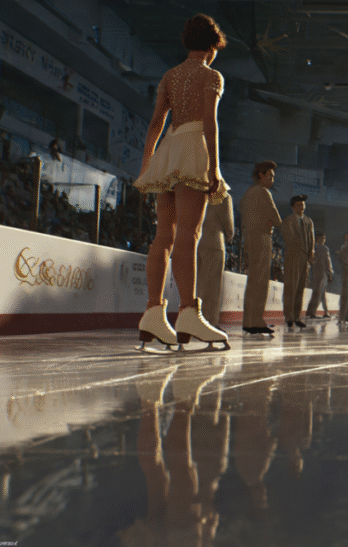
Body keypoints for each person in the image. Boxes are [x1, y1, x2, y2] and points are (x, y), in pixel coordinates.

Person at [134, 13, 229, 349]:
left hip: (169, 149)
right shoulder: (211, 76)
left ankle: (153, 312)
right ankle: (188, 312)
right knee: (190, 233)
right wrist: (215, 169)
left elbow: (156, 122)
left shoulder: (171, 75)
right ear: (212, 46)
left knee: (165, 235)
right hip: (193, 146)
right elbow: (210, 124)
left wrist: (148, 163)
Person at [240, 161, 282, 336]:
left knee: (253, 280)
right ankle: (256, 320)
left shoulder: (247, 194)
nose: (272, 180)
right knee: (261, 281)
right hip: (262, 238)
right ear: (261, 175)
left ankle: (249, 320)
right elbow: (276, 218)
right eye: (270, 176)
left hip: (249, 238)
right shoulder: (264, 193)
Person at [196, 193, 234, 327]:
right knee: (212, 287)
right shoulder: (224, 196)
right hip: (215, 242)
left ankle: (196, 319)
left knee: (199, 285)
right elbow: (229, 225)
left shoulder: (198, 191)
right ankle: (209, 322)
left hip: (197, 242)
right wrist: (228, 237)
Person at [280, 194, 314, 329]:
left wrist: (311, 253)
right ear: (293, 207)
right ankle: (289, 317)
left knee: (300, 288)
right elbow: (290, 239)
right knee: (290, 288)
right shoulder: (288, 221)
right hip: (293, 257)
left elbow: (311, 240)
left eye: (303, 205)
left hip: (305, 258)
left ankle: (297, 316)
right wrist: (301, 251)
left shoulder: (308, 221)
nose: (302, 207)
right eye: (299, 205)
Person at [306, 232, 334, 318]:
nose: (323, 240)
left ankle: (325, 311)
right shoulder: (325, 248)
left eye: (324, 239)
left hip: (315, 272)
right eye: (322, 238)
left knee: (321, 293)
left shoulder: (312, 248)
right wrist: (330, 272)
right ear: (318, 238)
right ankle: (312, 311)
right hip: (322, 273)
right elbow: (328, 261)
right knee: (318, 292)